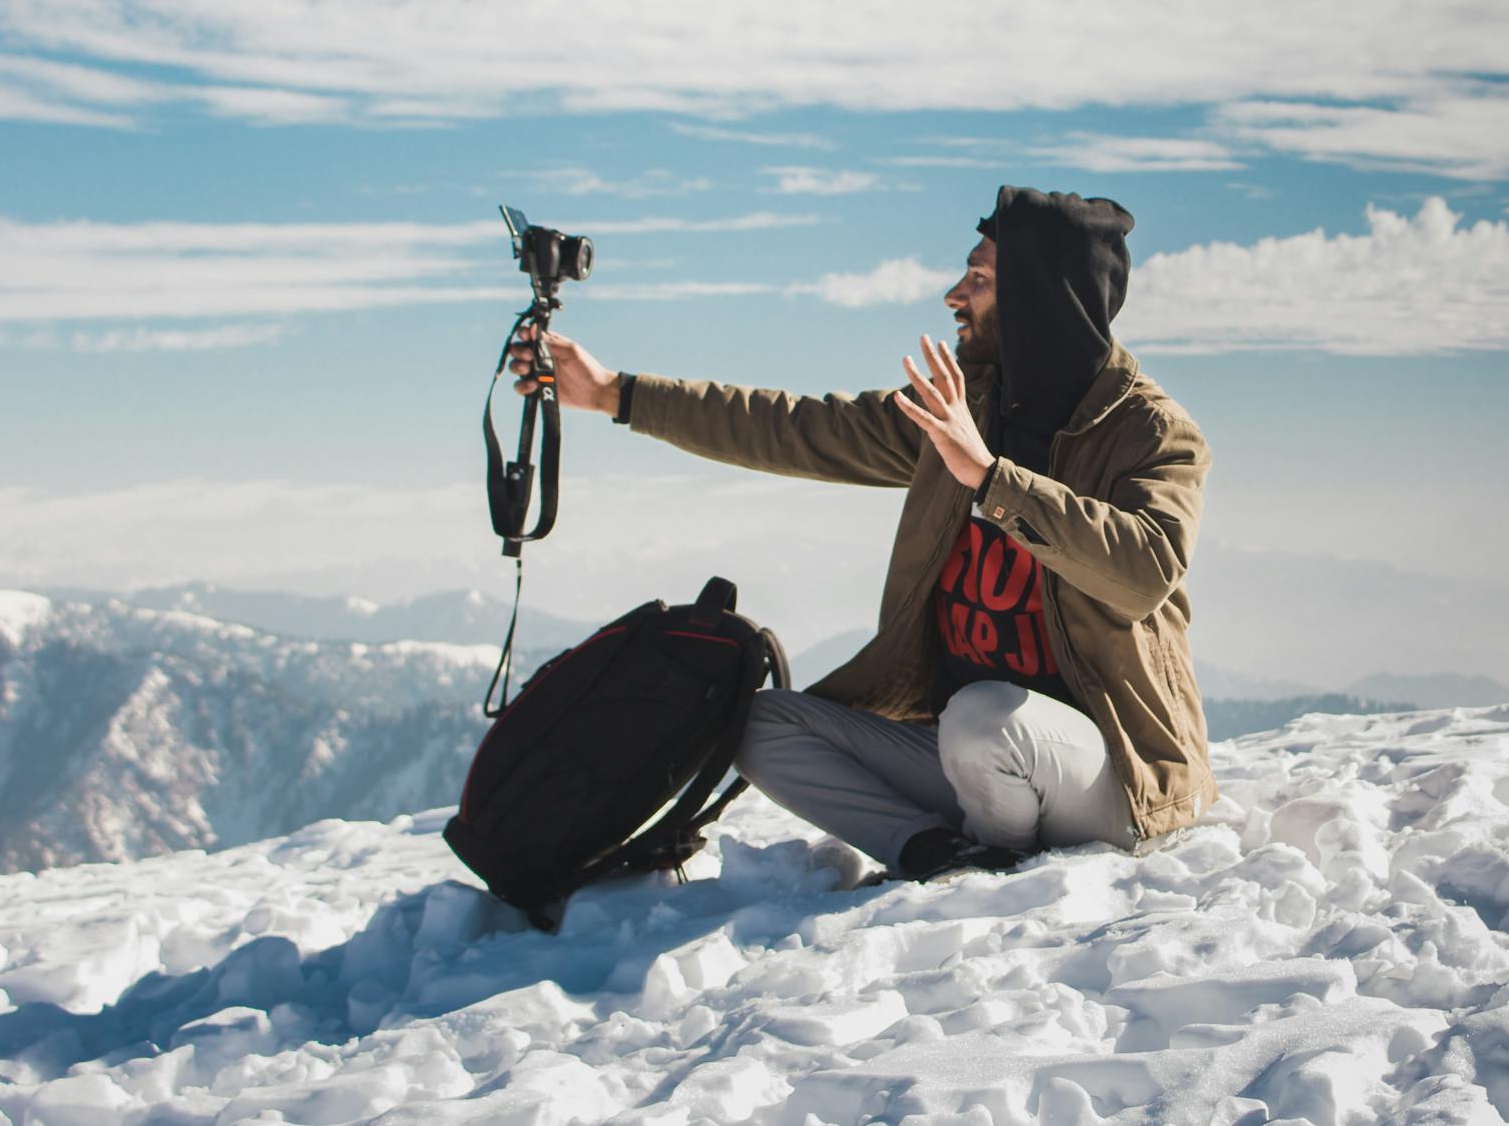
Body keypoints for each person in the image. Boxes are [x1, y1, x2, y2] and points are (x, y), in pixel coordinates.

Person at [511, 185, 1214, 881]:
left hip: (1107, 782)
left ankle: (998, 872)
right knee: (754, 722)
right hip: (975, 763)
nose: (953, 296)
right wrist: (611, 392)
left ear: (1038, 298)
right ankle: (932, 852)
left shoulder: (1149, 432)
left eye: (978, 278)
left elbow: (1146, 567)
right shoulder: (962, 407)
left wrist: (992, 479)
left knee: (983, 718)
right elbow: (793, 427)